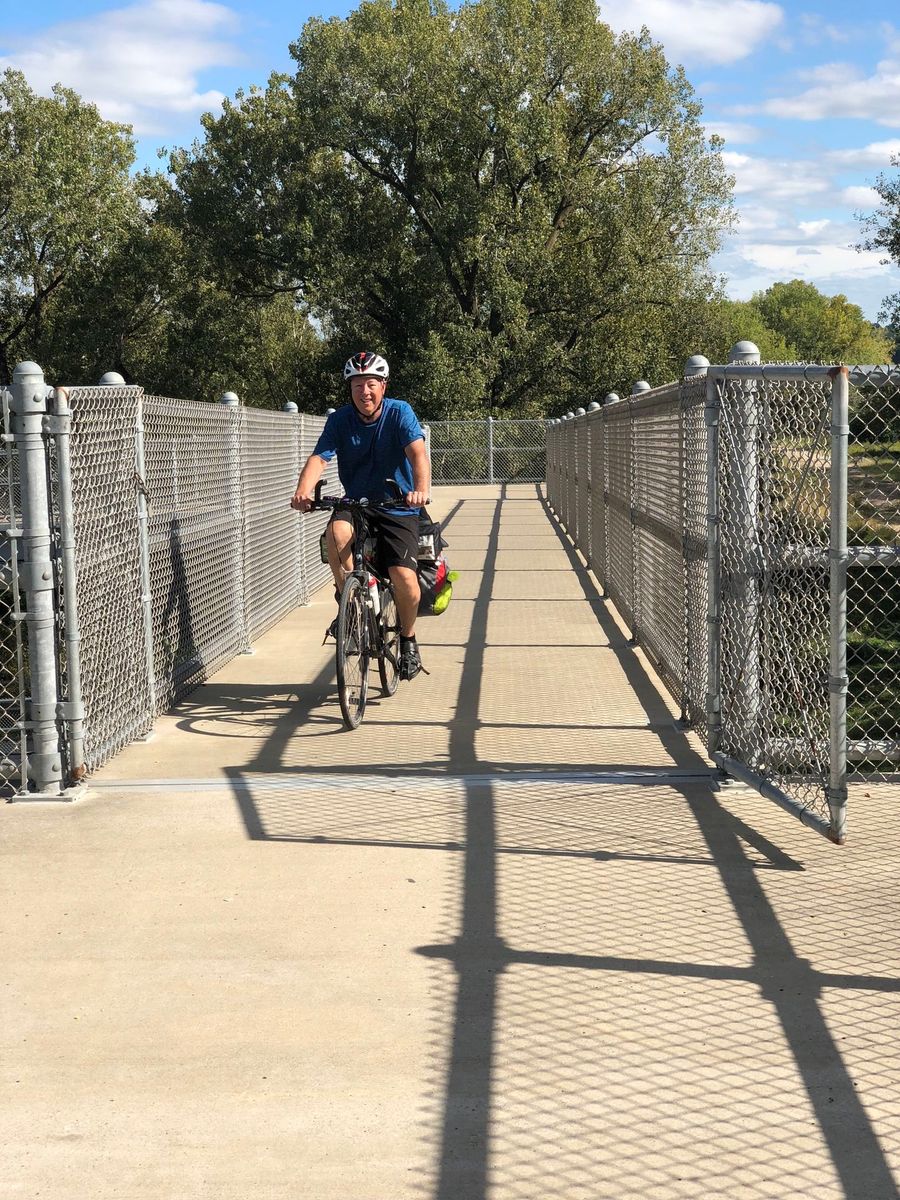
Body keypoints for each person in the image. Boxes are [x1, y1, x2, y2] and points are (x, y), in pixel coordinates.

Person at [290, 351, 430, 681]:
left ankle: (408, 640)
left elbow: (417, 453)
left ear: (383, 386)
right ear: (350, 389)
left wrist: (420, 489)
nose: (364, 392)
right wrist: (303, 491)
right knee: (335, 534)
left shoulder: (399, 412)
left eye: (371, 384)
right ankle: (349, 603)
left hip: (398, 504)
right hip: (357, 502)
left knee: (404, 578)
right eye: (357, 385)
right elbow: (319, 459)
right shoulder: (340, 420)